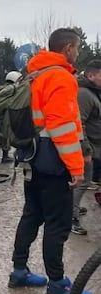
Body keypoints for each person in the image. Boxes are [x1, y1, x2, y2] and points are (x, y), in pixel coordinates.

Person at [8, 28, 93, 294]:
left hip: (31, 157)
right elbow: (63, 127)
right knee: (57, 224)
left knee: (31, 215)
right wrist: (76, 167)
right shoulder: (60, 77)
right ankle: (57, 283)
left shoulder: (34, 73)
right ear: (68, 48)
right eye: (77, 48)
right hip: (53, 162)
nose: (78, 53)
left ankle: (19, 271)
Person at [72, 60, 101, 235]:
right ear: (91, 75)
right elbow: (79, 122)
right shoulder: (84, 93)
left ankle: (74, 208)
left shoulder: (93, 92)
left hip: (94, 147)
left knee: (85, 182)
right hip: (87, 148)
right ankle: (71, 217)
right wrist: (85, 149)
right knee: (82, 183)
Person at [0, 71, 22, 162]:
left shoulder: (1, 88)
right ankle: (5, 156)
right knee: (5, 135)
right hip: (5, 115)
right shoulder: (12, 88)